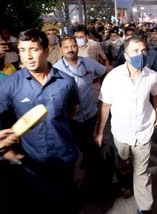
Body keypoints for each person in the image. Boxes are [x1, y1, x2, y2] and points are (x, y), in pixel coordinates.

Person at [0, 28, 80, 214]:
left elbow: (73, 110)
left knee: (65, 205)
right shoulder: (10, 83)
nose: (28, 56)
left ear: (47, 51)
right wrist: (1, 143)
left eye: (33, 49)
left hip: (63, 160)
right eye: (22, 50)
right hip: (30, 165)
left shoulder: (66, 81)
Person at [95, 36, 157, 214]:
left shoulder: (152, 75)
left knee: (142, 171)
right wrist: (100, 132)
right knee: (123, 163)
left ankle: (144, 207)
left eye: (143, 50)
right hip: (121, 132)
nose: (141, 54)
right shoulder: (113, 77)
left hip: (143, 131)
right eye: (136, 51)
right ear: (126, 55)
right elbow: (105, 106)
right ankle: (125, 182)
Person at [53, 35, 107, 192]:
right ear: (60, 49)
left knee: (92, 147)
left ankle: (93, 182)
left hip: (90, 114)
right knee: (75, 151)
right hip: (72, 119)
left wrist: (101, 87)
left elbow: (104, 71)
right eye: (66, 47)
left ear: (77, 47)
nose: (70, 49)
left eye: (73, 45)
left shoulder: (88, 62)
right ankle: (76, 185)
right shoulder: (56, 70)